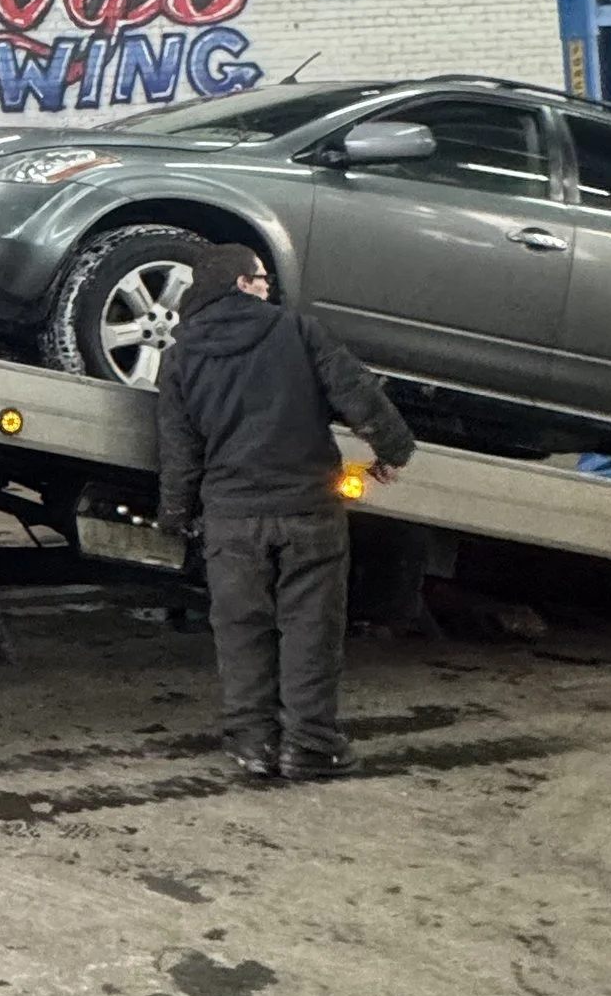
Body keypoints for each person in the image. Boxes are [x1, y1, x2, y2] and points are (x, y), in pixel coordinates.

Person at [153, 244, 416, 781]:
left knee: (241, 629)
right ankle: (310, 746)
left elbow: (179, 450)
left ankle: (252, 743)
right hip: (306, 510)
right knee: (310, 629)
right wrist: (394, 450)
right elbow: (358, 395)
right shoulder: (297, 330)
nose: (270, 287)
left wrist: (176, 515)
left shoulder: (179, 357)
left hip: (231, 516)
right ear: (241, 284)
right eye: (263, 278)